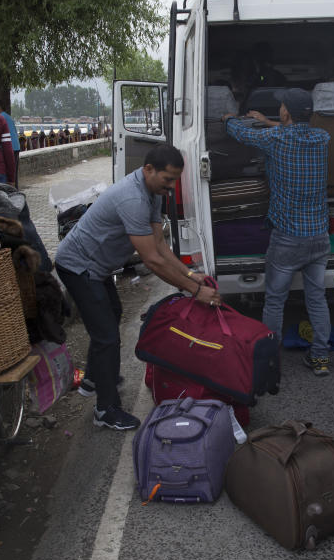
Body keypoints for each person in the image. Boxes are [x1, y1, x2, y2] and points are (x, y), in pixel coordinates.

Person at [55, 144, 221, 430]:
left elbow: (159, 244)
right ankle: (105, 410)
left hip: (97, 265)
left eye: (175, 180)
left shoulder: (154, 192)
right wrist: (195, 291)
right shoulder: (132, 198)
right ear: (148, 170)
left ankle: (94, 378)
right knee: (106, 336)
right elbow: (152, 260)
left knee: (112, 314)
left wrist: (189, 274)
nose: (171, 186)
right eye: (167, 179)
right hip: (78, 265)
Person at [222, 88, 332, 376]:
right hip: (320, 238)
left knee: (275, 300)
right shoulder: (322, 138)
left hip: (288, 238)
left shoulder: (275, 139)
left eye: (281, 107)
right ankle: (320, 358)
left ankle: (271, 361)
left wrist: (228, 118)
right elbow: (292, 132)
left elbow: (241, 134)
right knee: (316, 298)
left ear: (285, 113)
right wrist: (267, 121)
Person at [0, 98, 21, 187]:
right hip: (16, 147)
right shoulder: (8, 117)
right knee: (14, 173)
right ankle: (16, 191)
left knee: (7, 173)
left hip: (8, 148)